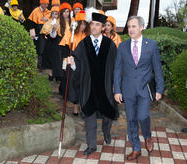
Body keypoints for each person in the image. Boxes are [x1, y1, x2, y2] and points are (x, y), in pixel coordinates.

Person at [67, 8, 119, 155]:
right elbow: (77, 62)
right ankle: (91, 145)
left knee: (108, 115)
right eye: (92, 24)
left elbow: (116, 66)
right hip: (89, 87)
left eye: (98, 24)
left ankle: (106, 131)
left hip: (105, 87)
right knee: (89, 115)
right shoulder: (84, 44)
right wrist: (73, 62)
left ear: (103, 27)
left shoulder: (110, 45)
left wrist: (116, 84)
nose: (94, 27)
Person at [114, 16, 164, 161]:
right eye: (129, 26)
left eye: (134, 26)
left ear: (141, 27)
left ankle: (147, 136)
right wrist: (117, 90)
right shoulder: (122, 46)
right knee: (131, 120)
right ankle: (136, 149)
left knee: (143, 116)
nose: (130, 29)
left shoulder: (152, 45)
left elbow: (157, 69)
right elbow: (117, 69)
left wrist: (159, 89)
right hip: (127, 89)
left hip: (144, 89)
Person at [60, 10, 88, 116]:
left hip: (85, 63)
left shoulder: (87, 35)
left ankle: (83, 105)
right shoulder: (70, 33)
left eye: (85, 24)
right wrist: (67, 60)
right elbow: (64, 47)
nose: (83, 26)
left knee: (84, 84)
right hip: (74, 62)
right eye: (81, 23)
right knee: (75, 84)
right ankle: (75, 106)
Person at [28, 0, 51, 69]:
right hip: (38, 33)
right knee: (40, 49)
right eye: (44, 4)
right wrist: (33, 34)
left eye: (46, 4)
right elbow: (31, 23)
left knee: (46, 49)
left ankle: (44, 64)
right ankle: (40, 65)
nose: (45, 5)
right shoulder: (35, 11)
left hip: (46, 33)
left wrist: (47, 20)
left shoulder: (49, 12)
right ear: (41, 3)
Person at [39, 6, 61, 81]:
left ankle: (57, 75)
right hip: (49, 44)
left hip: (57, 44)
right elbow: (44, 33)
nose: (55, 15)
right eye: (53, 14)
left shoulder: (60, 23)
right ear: (51, 14)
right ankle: (50, 75)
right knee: (49, 60)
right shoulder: (48, 23)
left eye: (56, 14)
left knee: (57, 59)